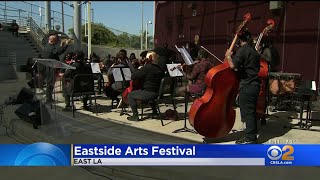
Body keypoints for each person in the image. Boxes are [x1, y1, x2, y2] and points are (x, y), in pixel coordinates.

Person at [225, 30, 261, 144]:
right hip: (255, 84)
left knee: (248, 112)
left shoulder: (243, 50)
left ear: (240, 40)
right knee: (252, 111)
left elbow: (232, 65)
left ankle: (250, 137)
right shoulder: (254, 51)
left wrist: (228, 57)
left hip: (247, 85)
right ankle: (252, 134)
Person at [127, 51, 165, 121]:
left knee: (130, 95)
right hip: (158, 93)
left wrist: (136, 67)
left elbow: (133, 77)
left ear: (148, 59)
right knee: (150, 95)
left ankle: (135, 116)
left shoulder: (147, 68)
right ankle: (155, 113)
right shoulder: (160, 69)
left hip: (149, 94)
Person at [42, 34, 71, 102]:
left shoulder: (47, 46)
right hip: (51, 67)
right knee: (50, 83)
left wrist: (61, 46)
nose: (57, 42)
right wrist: (66, 44)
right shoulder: (50, 47)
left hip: (49, 66)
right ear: (52, 41)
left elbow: (55, 52)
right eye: (57, 41)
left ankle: (48, 97)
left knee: (50, 82)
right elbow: (58, 52)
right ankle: (48, 98)